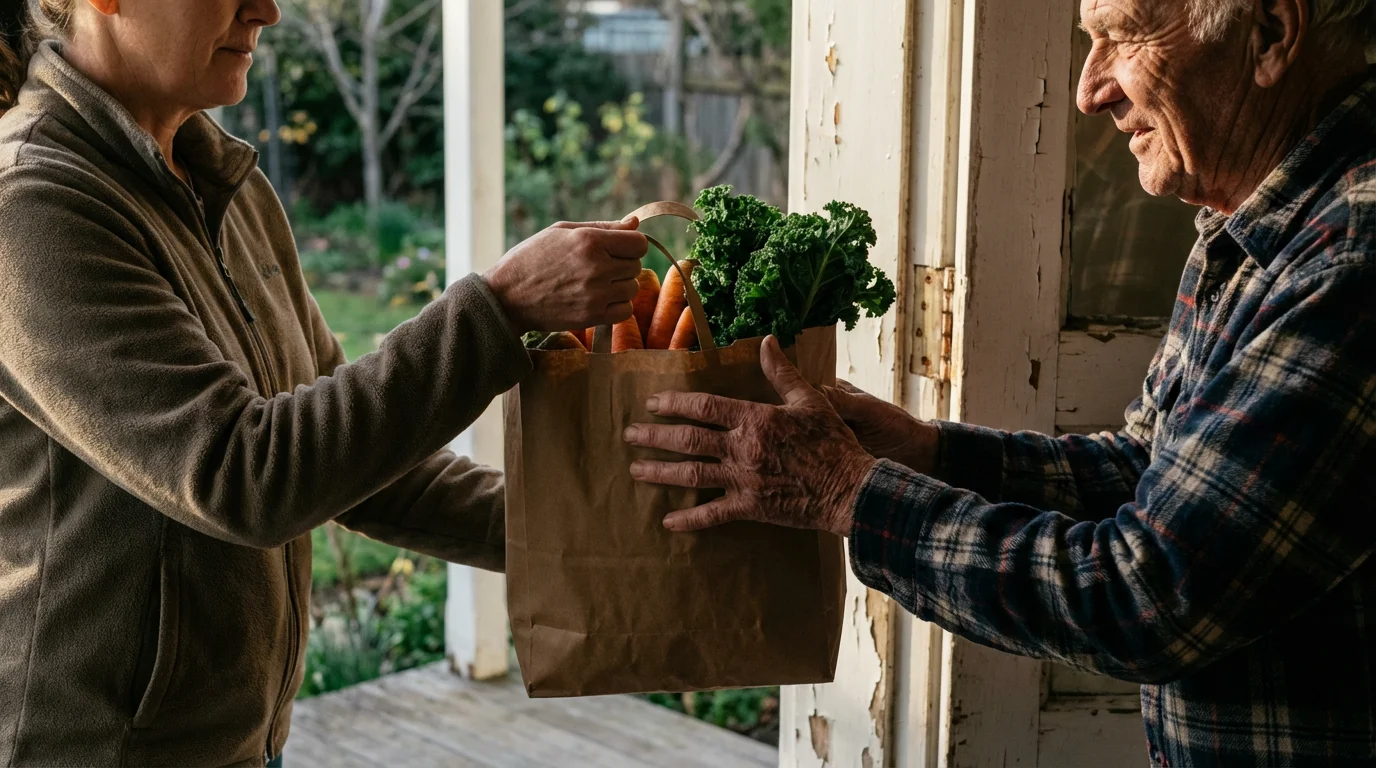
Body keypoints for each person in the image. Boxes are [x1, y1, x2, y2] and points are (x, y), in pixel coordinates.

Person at [626, 0, 1376, 764]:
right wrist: (926, 452)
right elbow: (1147, 472)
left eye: (1122, 37)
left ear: (1272, 35)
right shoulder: (1258, 227)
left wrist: (846, 491)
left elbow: (1150, 596)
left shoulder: (1351, 258)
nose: (1090, 89)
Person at [0, 0, 648, 765]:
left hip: (241, 743)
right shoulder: (33, 206)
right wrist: (497, 309)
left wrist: (602, 531)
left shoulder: (224, 185)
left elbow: (356, 467)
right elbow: (243, 473)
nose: (267, 10)